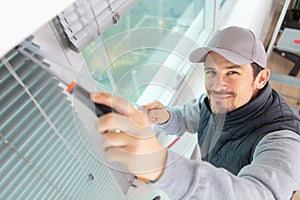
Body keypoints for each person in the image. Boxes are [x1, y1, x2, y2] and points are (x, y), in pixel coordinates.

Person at [91, 26, 300, 199]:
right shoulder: (210, 103)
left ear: (261, 78)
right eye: (211, 72)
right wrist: (164, 116)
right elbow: (185, 118)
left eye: (232, 72)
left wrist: (161, 165)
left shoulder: (283, 137)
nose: (218, 86)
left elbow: (262, 195)